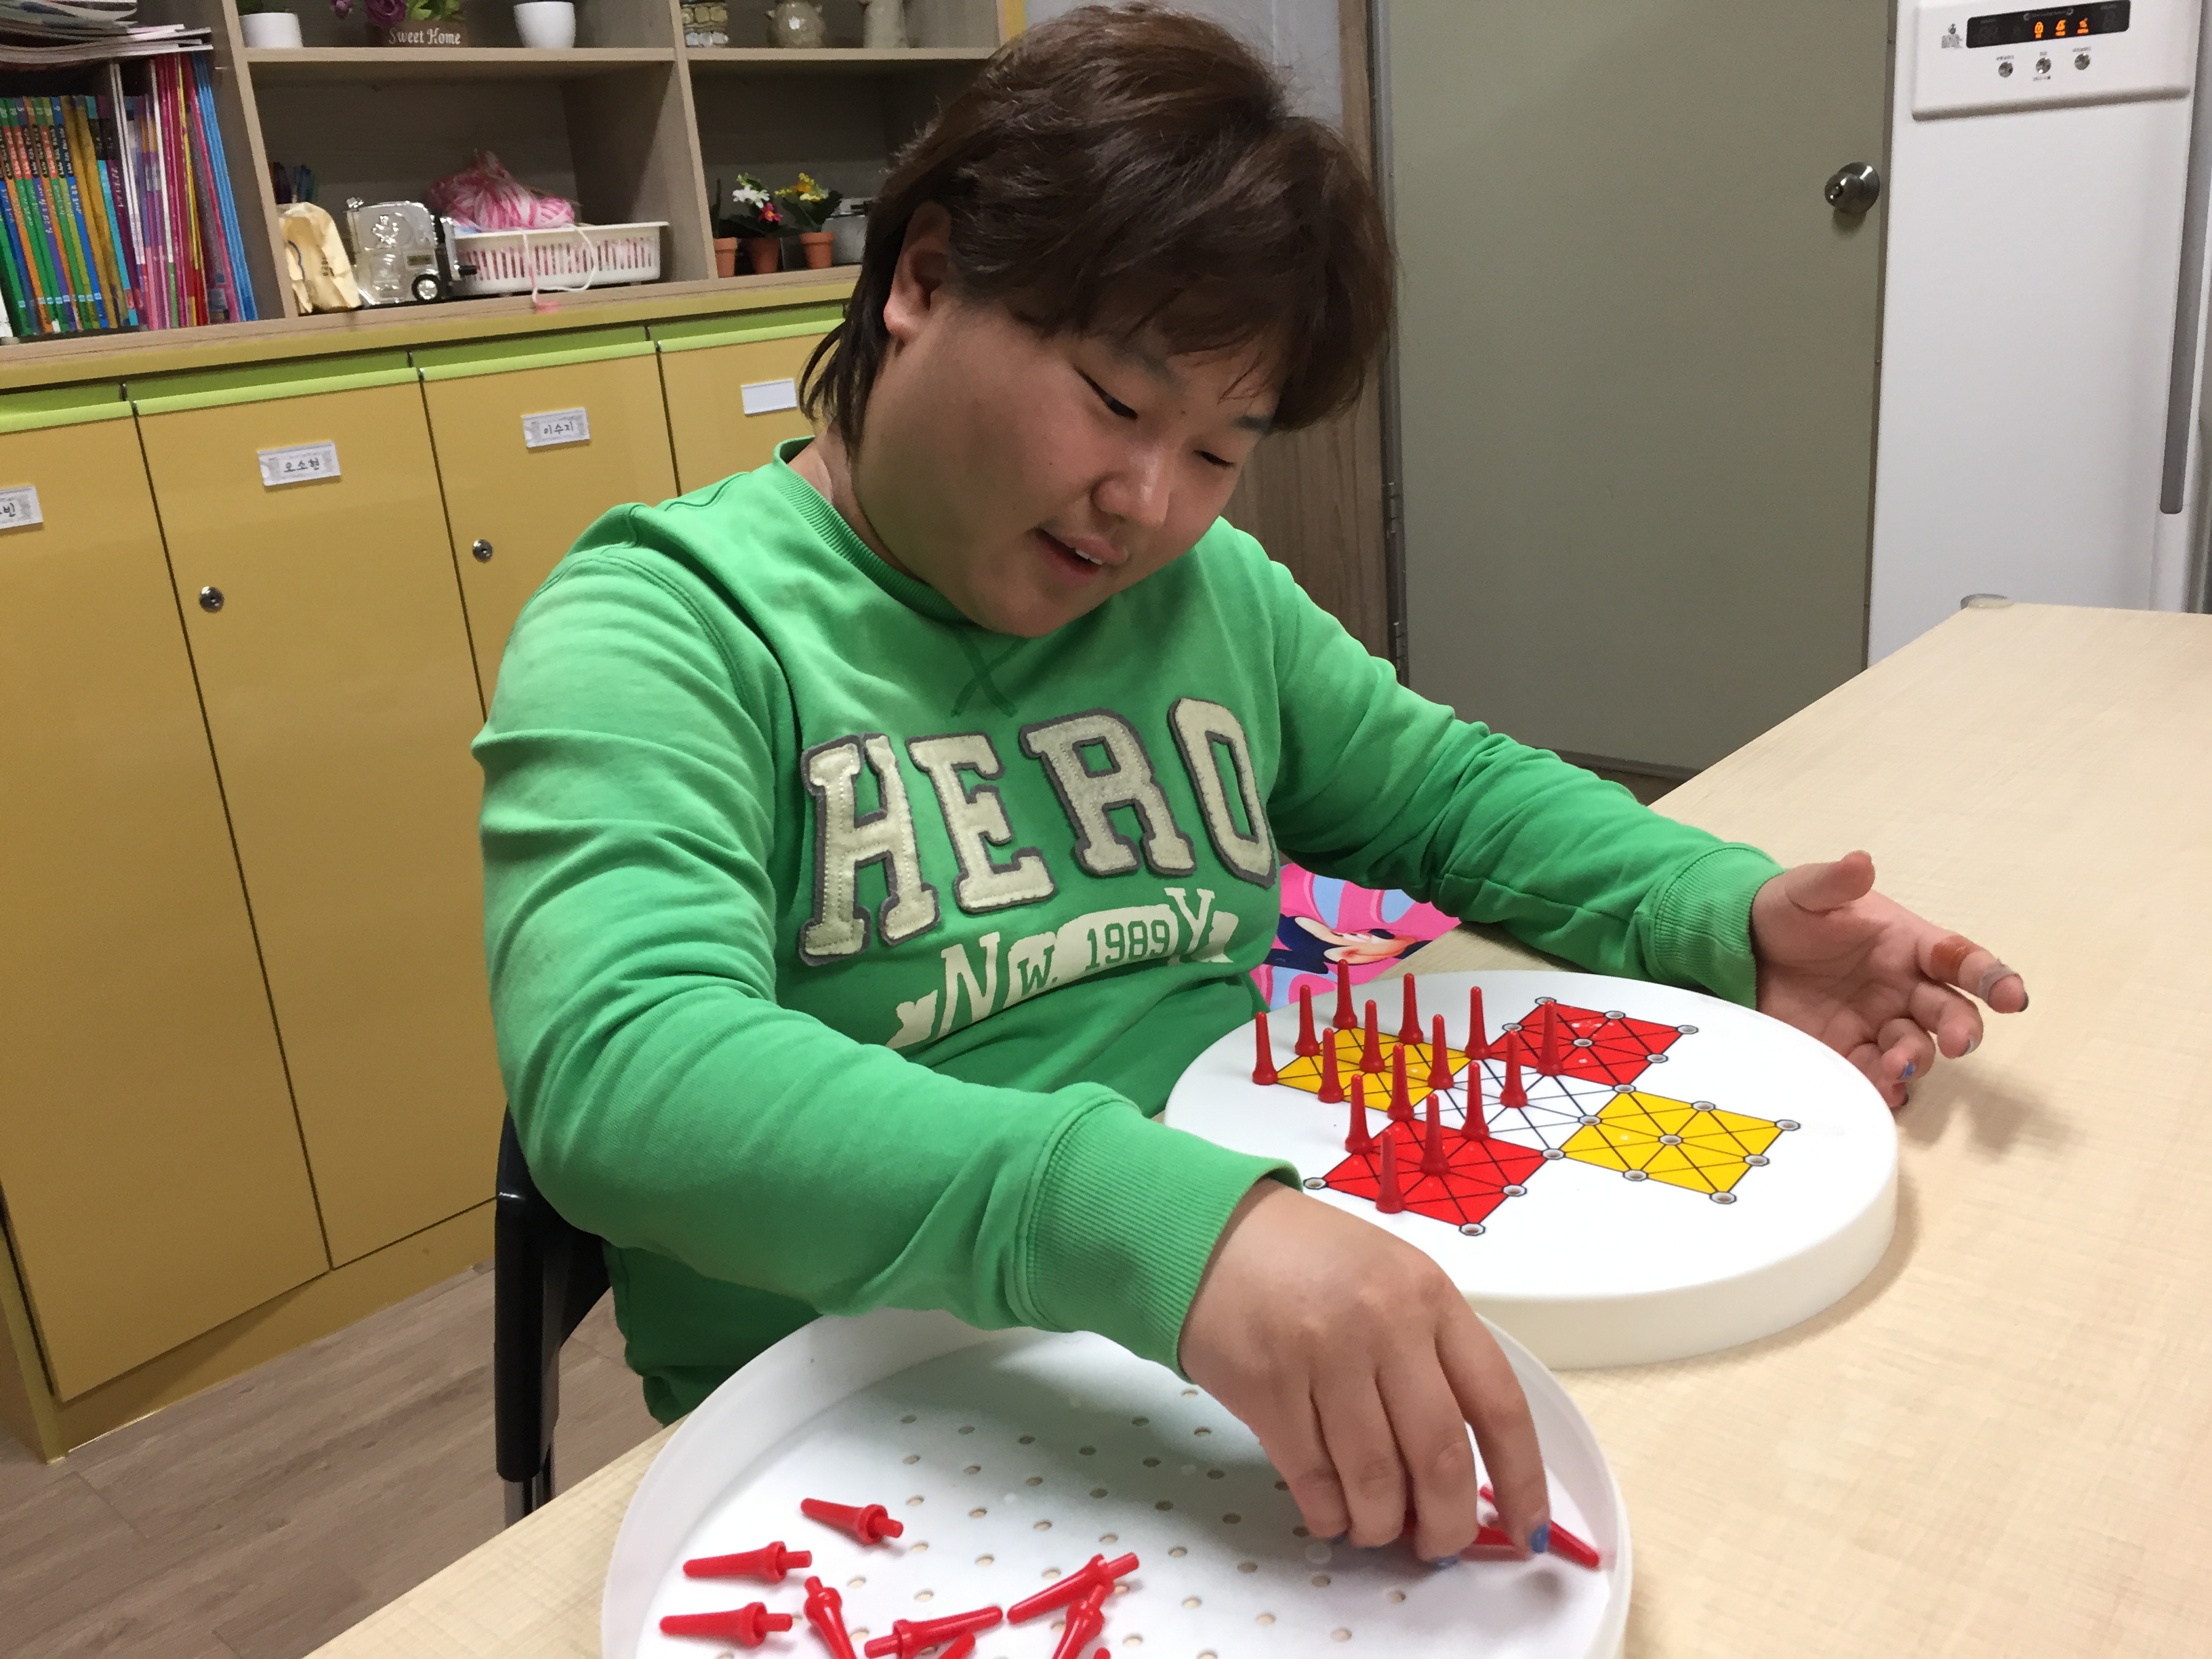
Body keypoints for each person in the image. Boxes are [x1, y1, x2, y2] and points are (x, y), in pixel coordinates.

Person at [475, 4, 2027, 1566]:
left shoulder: (1208, 598)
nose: (1147, 503)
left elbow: (1450, 797)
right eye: (1116, 401)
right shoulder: (661, 625)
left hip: (1248, 1326)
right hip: (865, 1435)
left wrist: (1721, 913)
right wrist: (1172, 1226)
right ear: (925, 279)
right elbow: (626, 1072)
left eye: (1222, 449)